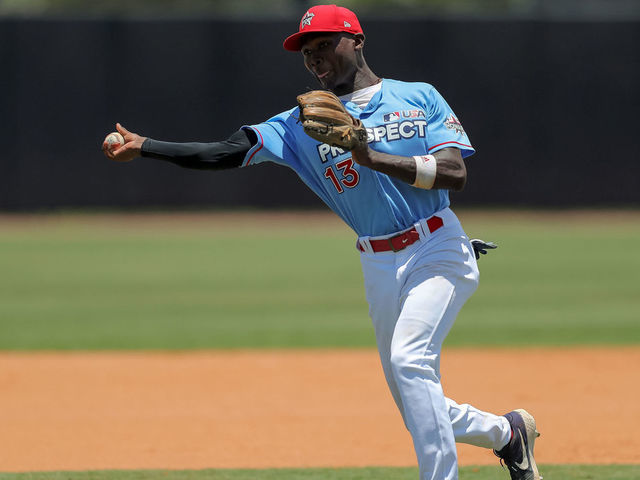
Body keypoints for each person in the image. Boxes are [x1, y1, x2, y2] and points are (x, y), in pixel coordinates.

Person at [102, 5, 539, 480]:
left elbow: (455, 175)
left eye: (325, 45)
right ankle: (506, 435)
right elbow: (226, 152)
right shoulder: (299, 123)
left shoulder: (418, 97)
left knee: (411, 363)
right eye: (307, 52)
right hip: (378, 263)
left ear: (357, 40)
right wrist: (147, 145)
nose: (315, 59)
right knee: (415, 400)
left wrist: (370, 155)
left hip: (437, 246)